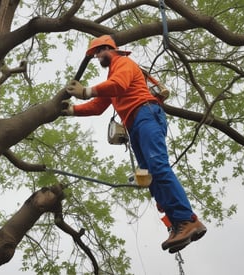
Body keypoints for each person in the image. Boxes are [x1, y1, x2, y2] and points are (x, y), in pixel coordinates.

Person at [61, 35, 206, 253]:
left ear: (107, 48)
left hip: (145, 114)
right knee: (150, 178)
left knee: (158, 167)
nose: (97, 57)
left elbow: (118, 85)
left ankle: (188, 219)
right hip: (134, 124)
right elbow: (98, 106)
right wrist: (72, 110)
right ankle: (178, 225)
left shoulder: (124, 63)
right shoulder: (113, 75)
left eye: (98, 53)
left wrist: (86, 90)